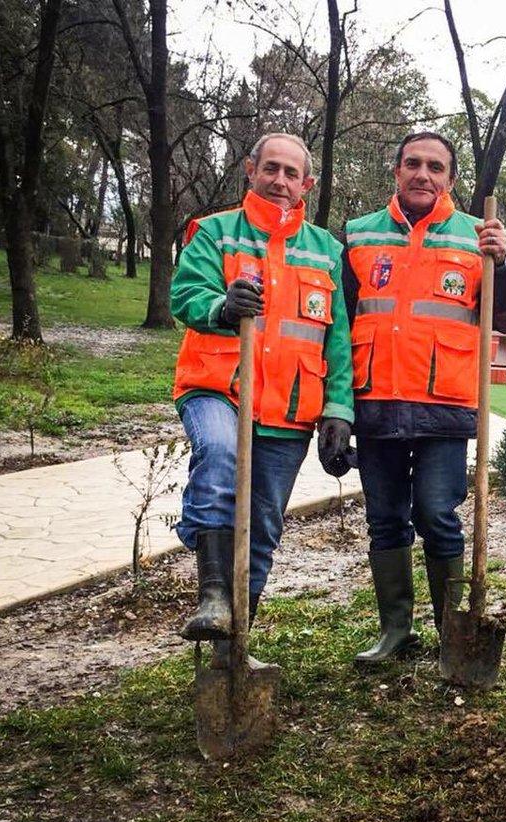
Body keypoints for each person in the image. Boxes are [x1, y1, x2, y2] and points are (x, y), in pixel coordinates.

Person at [340, 131, 506, 664]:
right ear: (396, 172)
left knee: (435, 513)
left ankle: (453, 632)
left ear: (450, 179)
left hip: (445, 407)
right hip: (374, 403)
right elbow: (339, 325)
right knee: (384, 518)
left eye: (435, 167)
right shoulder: (357, 236)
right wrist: (335, 409)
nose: (423, 174)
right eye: (413, 164)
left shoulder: (478, 237)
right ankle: (395, 631)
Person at [173, 132, 355, 667]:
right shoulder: (215, 233)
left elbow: (337, 338)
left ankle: (232, 653)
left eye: (291, 173)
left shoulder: (326, 251)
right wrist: (221, 307)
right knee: (222, 456)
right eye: (270, 169)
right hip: (218, 388)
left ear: (307, 184)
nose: (279, 180)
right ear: (250, 170)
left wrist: (339, 410)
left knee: (263, 529)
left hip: (288, 409)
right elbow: (185, 295)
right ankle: (212, 594)